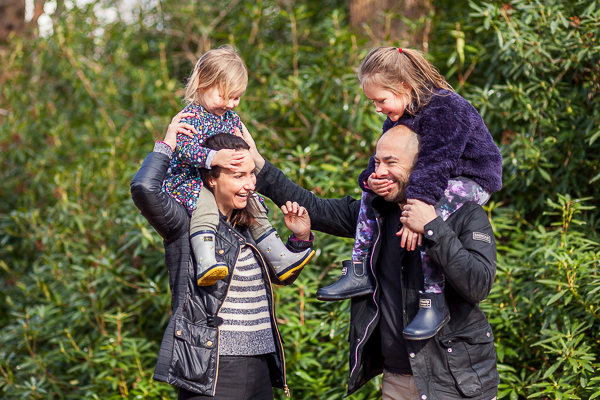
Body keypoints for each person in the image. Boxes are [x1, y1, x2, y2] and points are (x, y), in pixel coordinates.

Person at [243, 124, 499, 399]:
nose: (379, 172)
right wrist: (258, 165)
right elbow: (313, 206)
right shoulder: (374, 214)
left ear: (420, 166)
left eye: (391, 163)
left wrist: (432, 227)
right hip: (396, 379)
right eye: (377, 162)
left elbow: (478, 285)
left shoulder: (465, 215)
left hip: (457, 380)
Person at [315, 47, 502, 341]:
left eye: (380, 100)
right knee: (370, 193)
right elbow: (380, 158)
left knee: (428, 221)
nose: (377, 108)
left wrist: (417, 211)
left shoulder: (446, 108)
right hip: (430, 180)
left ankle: (433, 298)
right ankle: (360, 268)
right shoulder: (400, 112)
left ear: (404, 87)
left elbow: (437, 163)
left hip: (470, 177)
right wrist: (371, 181)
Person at [131, 116, 315, 399]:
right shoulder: (183, 224)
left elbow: (282, 275)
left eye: (251, 174)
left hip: (260, 364)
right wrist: (167, 144)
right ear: (211, 179)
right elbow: (144, 189)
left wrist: (300, 238)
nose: (250, 184)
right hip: (211, 369)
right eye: (238, 176)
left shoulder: (248, 224)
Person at [163, 45, 313, 287]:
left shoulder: (231, 119)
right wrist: (214, 158)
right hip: (190, 181)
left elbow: (243, 151)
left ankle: (279, 258)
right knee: (206, 205)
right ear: (202, 84)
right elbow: (183, 149)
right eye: (226, 96)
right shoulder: (190, 117)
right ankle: (206, 260)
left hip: (224, 182)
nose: (232, 103)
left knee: (254, 204)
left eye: (237, 97)